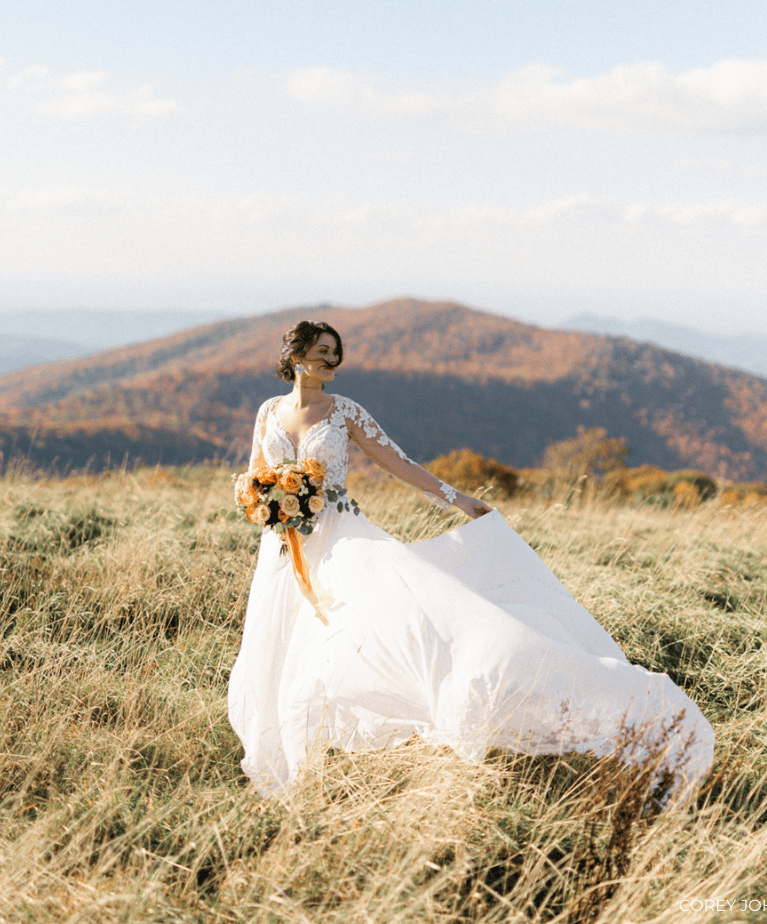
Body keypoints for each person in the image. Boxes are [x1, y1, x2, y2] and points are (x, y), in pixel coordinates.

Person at [227, 320, 714, 799]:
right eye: (322, 352)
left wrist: (456, 498)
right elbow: (253, 473)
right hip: (281, 541)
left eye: (337, 352)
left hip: (340, 535)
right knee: (281, 635)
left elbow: (397, 462)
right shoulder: (269, 411)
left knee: (389, 621)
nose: (332, 361)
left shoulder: (344, 411)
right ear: (296, 356)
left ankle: (467, 695)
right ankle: (289, 744)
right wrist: (263, 500)